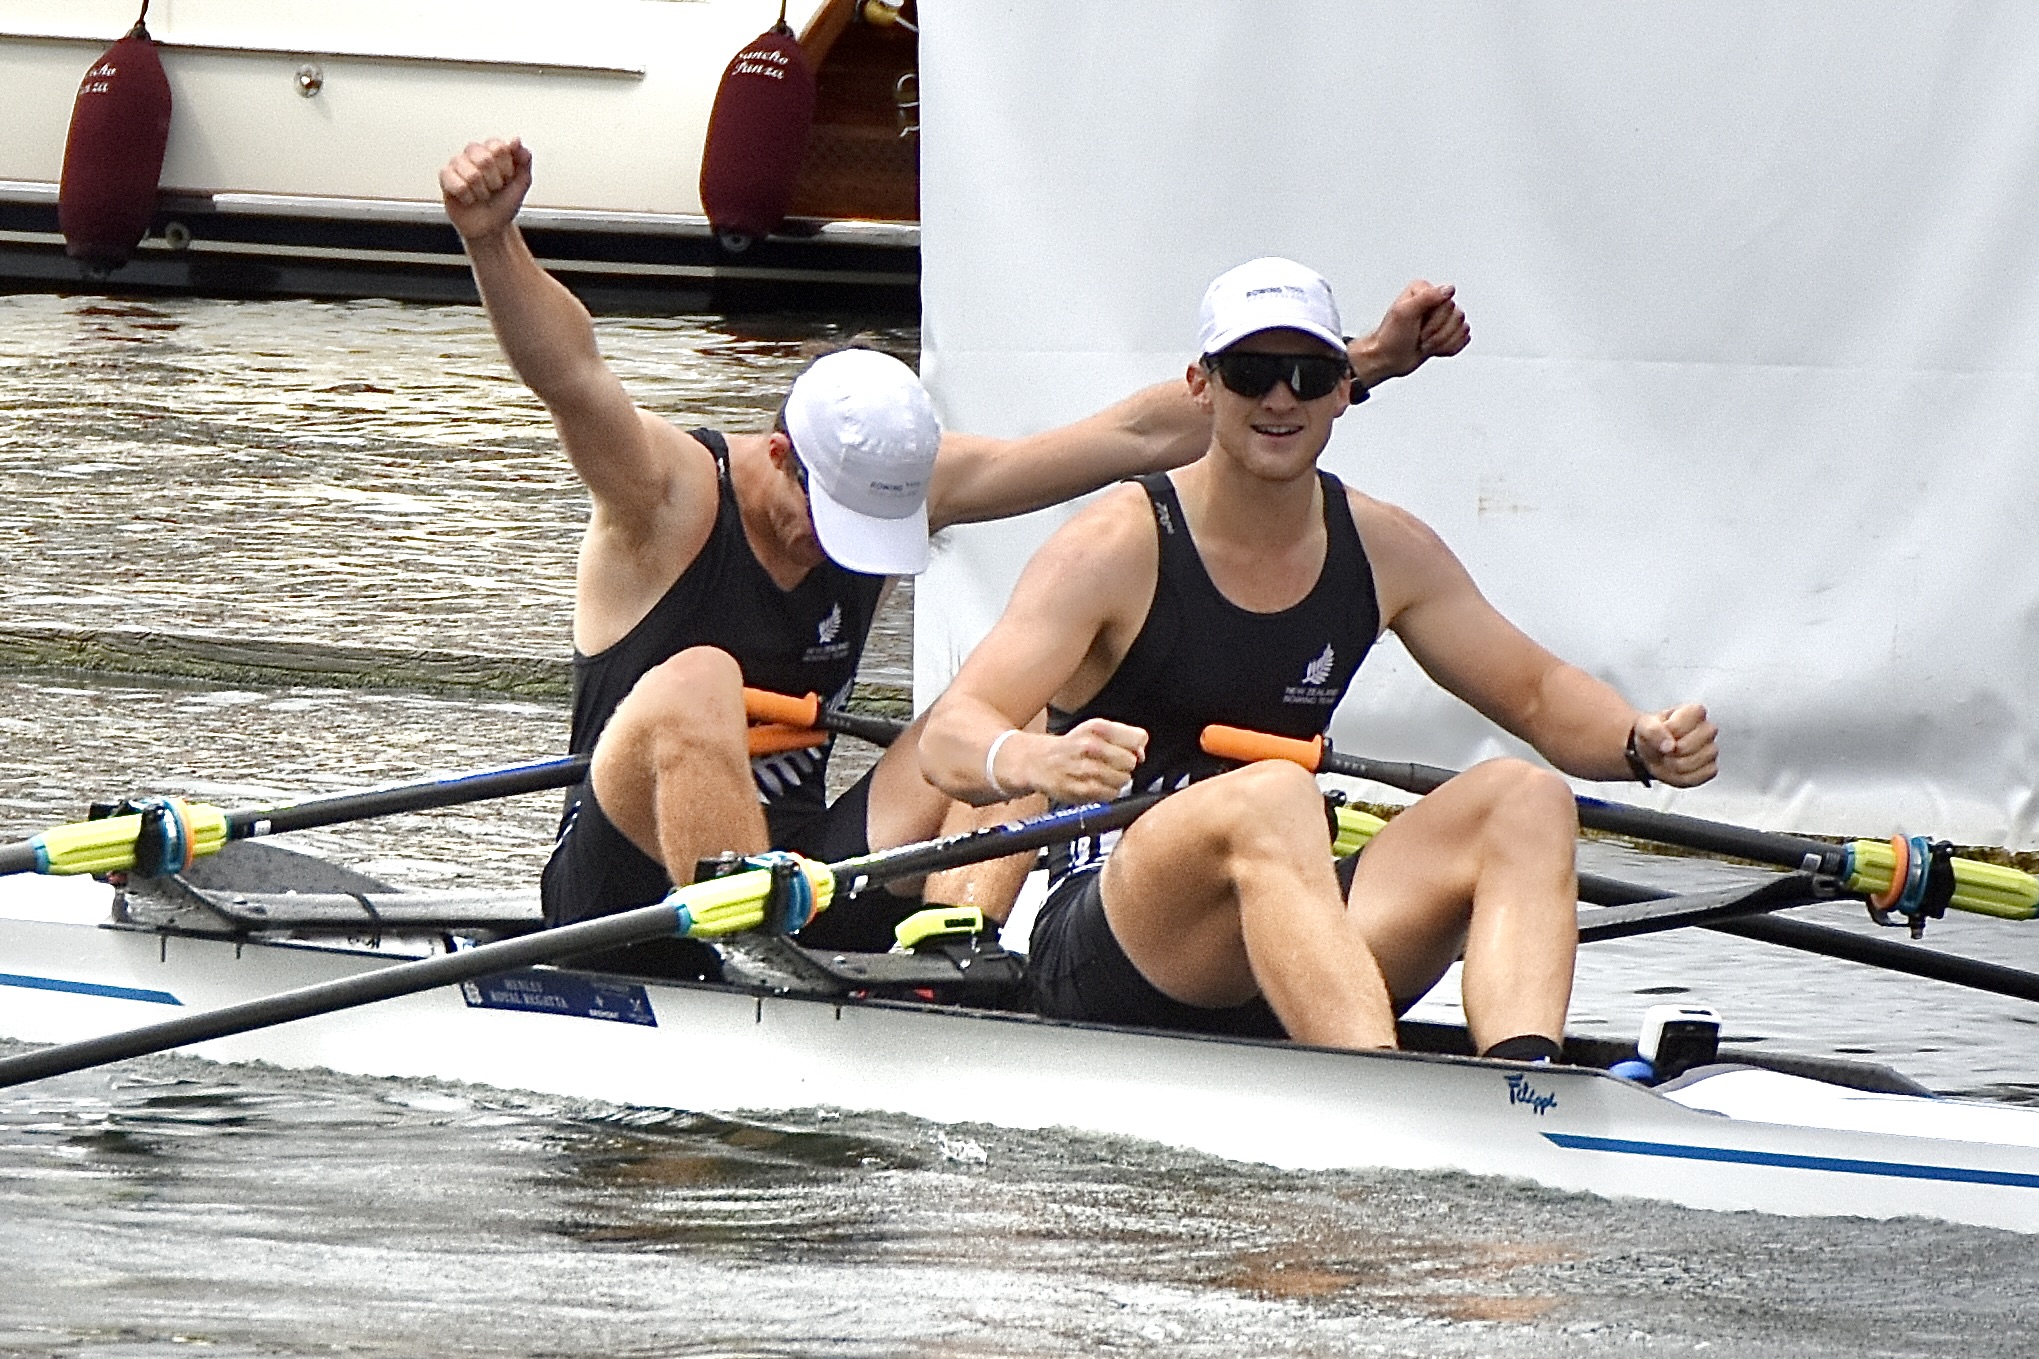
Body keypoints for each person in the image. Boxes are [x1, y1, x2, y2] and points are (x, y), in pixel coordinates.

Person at [439, 138, 1470, 974]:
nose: (836, 548)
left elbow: (1130, 436)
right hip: (618, 889)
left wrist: (1354, 364)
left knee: (1029, 688)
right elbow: (571, 374)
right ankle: (747, 955)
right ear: (780, 458)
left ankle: (954, 940)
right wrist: (491, 241)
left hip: (804, 875)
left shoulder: (903, 482)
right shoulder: (663, 494)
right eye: (829, 520)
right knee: (698, 677)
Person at [919, 256, 1718, 1059]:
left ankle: (1523, 1081)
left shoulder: (1383, 546)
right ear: (1201, 386)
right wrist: (1032, 758)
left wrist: (1636, 740)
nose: (1279, 399)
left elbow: (1537, 692)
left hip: (1291, 938)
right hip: (1114, 942)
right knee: (1272, 795)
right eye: (1250, 373)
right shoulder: (1113, 545)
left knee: (1526, 797)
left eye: (1306, 376)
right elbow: (952, 731)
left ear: (1341, 390)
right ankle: (1374, 1080)